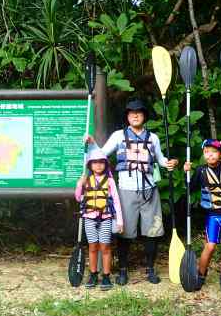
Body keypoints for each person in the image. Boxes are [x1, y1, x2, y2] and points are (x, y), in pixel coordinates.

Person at [86, 99, 178, 285]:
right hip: (126, 191)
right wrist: (92, 143)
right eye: (131, 113)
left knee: (152, 231)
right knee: (125, 232)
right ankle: (122, 270)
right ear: (127, 117)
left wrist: (170, 163)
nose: (135, 115)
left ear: (144, 116)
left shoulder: (153, 138)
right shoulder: (119, 136)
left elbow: (160, 159)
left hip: (149, 190)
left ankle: (150, 269)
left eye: (139, 112)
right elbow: (101, 154)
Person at [183, 139, 221, 296]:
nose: (210, 155)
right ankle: (201, 275)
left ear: (220, 154)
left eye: (214, 152)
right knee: (210, 246)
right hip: (214, 214)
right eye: (207, 152)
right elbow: (189, 188)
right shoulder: (201, 171)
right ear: (203, 154)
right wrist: (186, 173)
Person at [75, 148, 123, 291]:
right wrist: (79, 184)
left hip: (105, 218)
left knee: (105, 247)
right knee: (93, 247)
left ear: (105, 164)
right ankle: (93, 274)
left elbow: (116, 201)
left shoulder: (110, 181)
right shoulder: (86, 180)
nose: (98, 165)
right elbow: (78, 198)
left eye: (101, 162)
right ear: (90, 165)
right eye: (95, 162)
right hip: (89, 218)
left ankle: (106, 276)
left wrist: (120, 221)